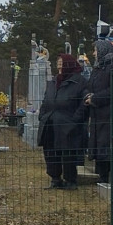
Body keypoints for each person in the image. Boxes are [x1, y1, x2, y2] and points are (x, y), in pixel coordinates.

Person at [38, 53, 88, 190]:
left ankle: (70, 180)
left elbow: (85, 103)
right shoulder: (54, 81)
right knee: (50, 152)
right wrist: (42, 115)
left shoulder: (79, 81)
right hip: (50, 121)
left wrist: (75, 120)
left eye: (62, 62)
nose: (59, 64)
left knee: (68, 153)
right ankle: (55, 179)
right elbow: (45, 99)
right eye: (58, 62)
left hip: (68, 124)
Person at [85, 39, 113, 182]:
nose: (94, 53)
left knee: (107, 147)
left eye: (95, 50)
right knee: (100, 147)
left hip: (110, 115)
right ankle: (102, 178)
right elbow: (91, 85)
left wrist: (95, 99)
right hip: (98, 115)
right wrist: (89, 95)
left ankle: (110, 180)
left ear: (102, 50)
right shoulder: (99, 67)